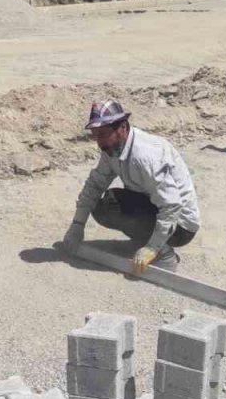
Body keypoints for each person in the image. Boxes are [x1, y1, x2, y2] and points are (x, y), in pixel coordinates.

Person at [61, 100, 201, 274]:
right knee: (104, 205)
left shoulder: (144, 157)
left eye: (103, 134)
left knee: (117, 207)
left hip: (180, 226)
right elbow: (95, 185)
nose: (99, 142)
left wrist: (153, 248)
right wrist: (77, 224)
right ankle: (147, 240)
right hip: (156, 208)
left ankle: (164, 254)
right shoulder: (112, 148)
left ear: (122, 128)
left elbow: (172, 205)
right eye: (95, 135)